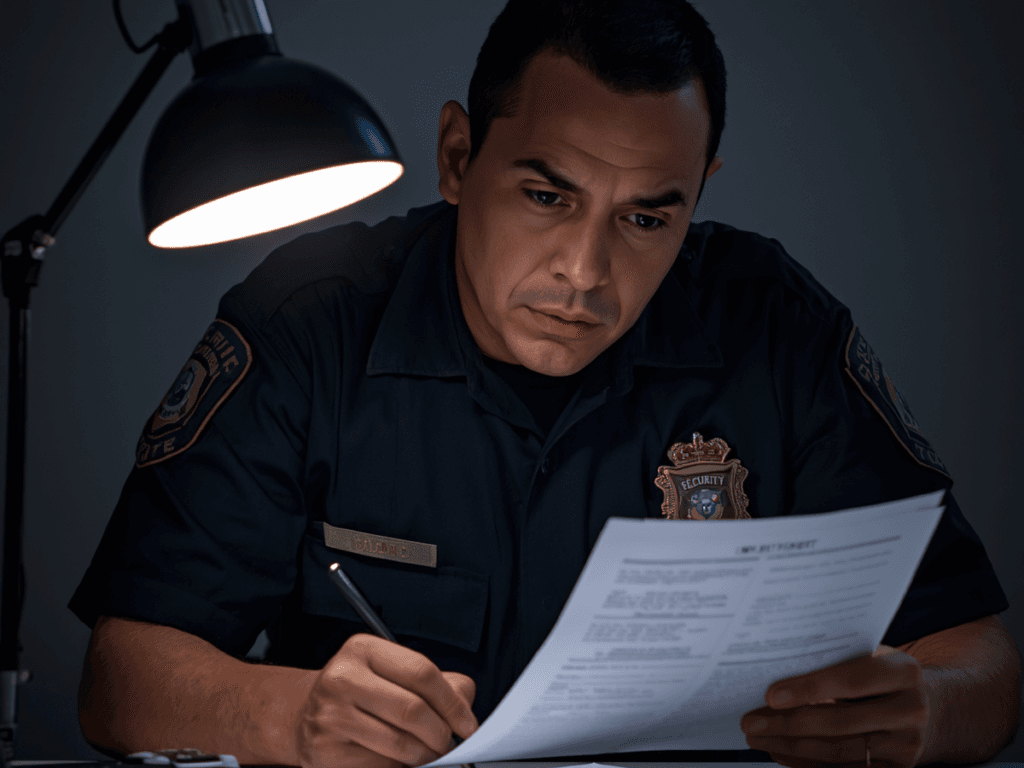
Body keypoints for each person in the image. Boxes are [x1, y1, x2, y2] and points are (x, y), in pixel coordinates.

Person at [70, 1, 1021, 767]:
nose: (585, 271)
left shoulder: (776, 329)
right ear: (457, 157)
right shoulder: (305, 325)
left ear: (699, 192)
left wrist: (930, 710)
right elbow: (121, 679)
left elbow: (981, 660)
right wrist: (291, 715)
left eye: (648, 219)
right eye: (546, 195)